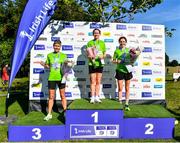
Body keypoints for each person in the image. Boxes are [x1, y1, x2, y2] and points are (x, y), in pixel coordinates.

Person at [40, 40, 67, 121]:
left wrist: (69, 64)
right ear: (53, 46)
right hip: (52, 78)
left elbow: (66, 66)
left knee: (62, 96)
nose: (57, 47)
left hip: (61, 78)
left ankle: (66, 113)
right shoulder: (49, 55)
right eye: (55, 46)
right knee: (51, 97)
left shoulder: (63, 55)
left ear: (60, 47)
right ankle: (49, 114)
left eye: (58, 46)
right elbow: (48, 66)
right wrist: (44, 65)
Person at [86, 28, 106, 104]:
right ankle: (92, 97)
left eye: (97, 33)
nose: (96, 34)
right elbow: (88, 54)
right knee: (93, 81)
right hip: (92, 63)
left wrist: (102, 57)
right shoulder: (90, 43)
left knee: (98, 81)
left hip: (100, 64)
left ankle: (97, 97)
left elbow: (104, 53)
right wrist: (91, 57)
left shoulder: (102, 43)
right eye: (95, 33)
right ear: (93, 34)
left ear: (99, 34)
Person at [112, 36, 133, 111]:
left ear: (126, 42)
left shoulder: (129, 50)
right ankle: (120, 103)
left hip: (128, 70)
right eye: (121, 41)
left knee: (127, 88)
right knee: (120, 88)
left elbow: (133, 59)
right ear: (119, 42)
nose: (122, 42)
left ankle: (127, 104)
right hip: (120, 70)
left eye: (124, 41)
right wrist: (118, 61)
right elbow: (113, 60)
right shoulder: (116, 51)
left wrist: (132, 61)